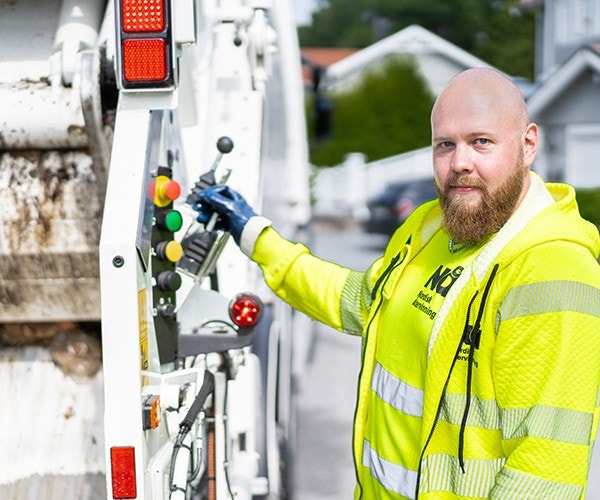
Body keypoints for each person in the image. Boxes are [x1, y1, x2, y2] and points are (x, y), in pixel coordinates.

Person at [194, 68, 600, 499]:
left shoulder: (553, 269)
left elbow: (544, 470)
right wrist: (254, 233)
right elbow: (354, 300)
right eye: (446, 144)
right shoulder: (428, 229)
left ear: (528, 143)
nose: (460, 162)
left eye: (481, 141)